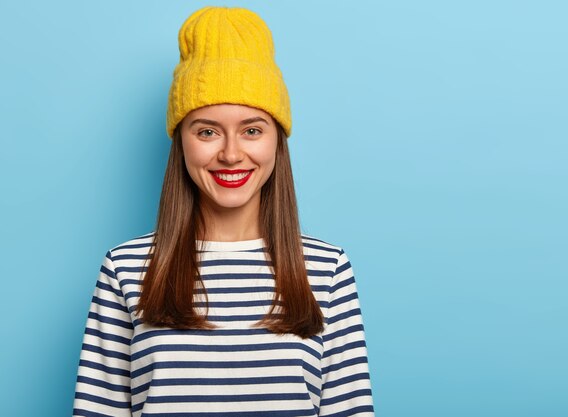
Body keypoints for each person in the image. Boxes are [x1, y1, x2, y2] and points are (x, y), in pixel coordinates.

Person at [73, 6, 374, 417]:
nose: (231, 154)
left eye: (252, 130)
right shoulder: (126, 268)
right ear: (181, 142)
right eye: (207, 131)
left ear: (276, 143)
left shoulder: (327, 268)